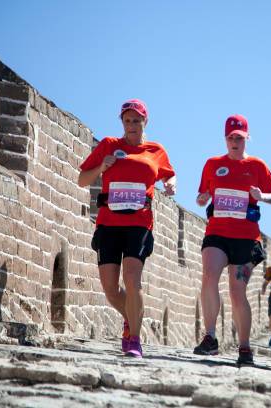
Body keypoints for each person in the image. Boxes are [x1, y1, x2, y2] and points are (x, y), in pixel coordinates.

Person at [78, 99, 176, 358]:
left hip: (139, 223)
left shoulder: (156, 150)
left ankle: (134, 338)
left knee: (132, 280)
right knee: (110, 290)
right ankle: (130, 318)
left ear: (146, 121)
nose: (132, 125)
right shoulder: (109, 145)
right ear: (122, 122)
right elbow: (81, 179)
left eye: (137, 120)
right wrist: (102, 167)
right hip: (109, 224)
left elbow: (168, 173)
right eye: (127, 120)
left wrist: (171, 184)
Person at [193, 114, 271, 366]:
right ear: (225, 138)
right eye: (231, 137)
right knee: (209, 275)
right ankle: (210, 337)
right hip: (217, 233)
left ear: (247, 139)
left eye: (239, 138)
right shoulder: (212, 164)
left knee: (236, 291)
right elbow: (203, 194)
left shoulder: (257, 166)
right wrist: (202, 199)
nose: (235, 141)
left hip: (245, 238)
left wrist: (262, 196)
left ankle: (244, 347)